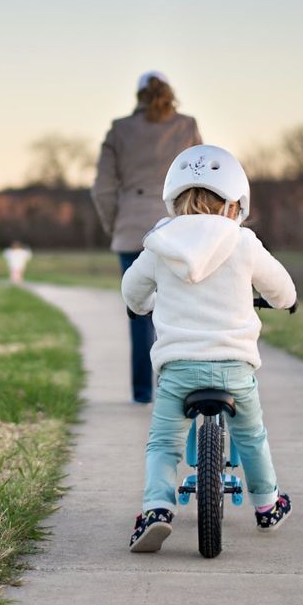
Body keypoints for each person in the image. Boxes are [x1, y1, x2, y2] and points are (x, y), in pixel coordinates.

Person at [121, 145, 298, 552]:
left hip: (179, 368)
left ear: (173, 199)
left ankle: (156, 510)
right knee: (252, 435)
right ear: (236, 204)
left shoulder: (159, 243)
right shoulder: (243, 242)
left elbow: (132, 291)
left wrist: (139, 307)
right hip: (235, 368)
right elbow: (282, 288)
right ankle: (268, 506)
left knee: (163, 443)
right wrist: (287, 302)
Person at [91, 71, 202, 404]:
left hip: (132, 229)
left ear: (137, 96)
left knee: (138, 313)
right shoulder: (187, 126)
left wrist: (116, 224)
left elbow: (103, 188)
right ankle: (179, 389)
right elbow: (202, 176)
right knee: (184, 311)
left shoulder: (120, 129)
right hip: (179, 228)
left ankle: (142, 394)